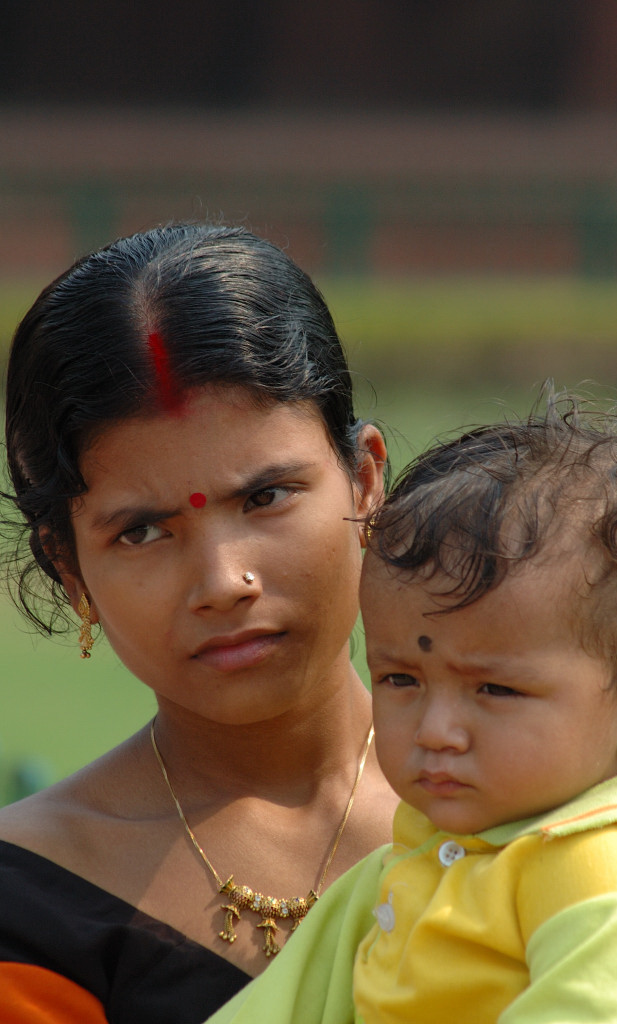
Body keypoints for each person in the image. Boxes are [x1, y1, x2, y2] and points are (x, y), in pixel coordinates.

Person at [0, 222, 398, 1024]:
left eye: (265, 497)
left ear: (364, 482)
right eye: (142, 532)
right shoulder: (32, 896)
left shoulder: (554, 800)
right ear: (68, 568)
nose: (222, 583)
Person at [212, 392, 617, 1024]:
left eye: (495, 690)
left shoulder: (607, 866)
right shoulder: (403, 862)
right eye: (401, 679)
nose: (435, 732)